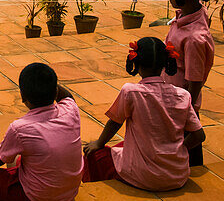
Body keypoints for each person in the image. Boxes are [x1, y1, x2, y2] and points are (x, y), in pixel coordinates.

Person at [82, 38, 206, 190]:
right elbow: (199, 135)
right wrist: (177, 150)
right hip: (177, 175)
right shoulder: (183, 95)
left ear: (136, 64)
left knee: (94, 155)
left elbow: (115, 122)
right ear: (165, 64)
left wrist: (98, 143)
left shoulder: (131, 92)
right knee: (122, 145)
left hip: (141, 176)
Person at [0, 63, 82, 201]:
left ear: (23, 97)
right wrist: (50, 84)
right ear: (55, 90)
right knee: (14, 157)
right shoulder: (71, 110)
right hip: (68, 194)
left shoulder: (20, 128)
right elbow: (68, 96)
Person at [164, 0, 215, 166]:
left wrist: (187, 108)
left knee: (188, 144)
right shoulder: (191, 13)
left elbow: (194, 79)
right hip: (173, 94)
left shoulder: (195, 38)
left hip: (182, 100)